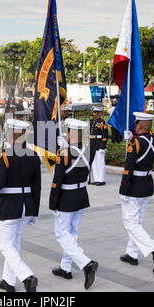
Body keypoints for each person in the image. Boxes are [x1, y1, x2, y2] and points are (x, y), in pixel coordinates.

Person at [0, 119, 41, 292]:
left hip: (10, 206)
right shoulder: (34, 156)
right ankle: (8, 281)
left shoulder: (5, 156)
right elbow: (37, 187)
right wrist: (34, 210)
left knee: (5, 245)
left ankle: (27, 276)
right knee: (14, 243)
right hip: (27, 205)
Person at [49, 118, 99, 289]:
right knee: (72, 233)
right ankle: (65, 267)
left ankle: (86, 263)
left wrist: (52, 202)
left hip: (66, 197)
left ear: (71, 133)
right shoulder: (89, 150)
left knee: (62, 234)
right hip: (81, 195)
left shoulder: (64, 152)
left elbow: (57, 179)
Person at [119, 112, 154, 274]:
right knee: (137, 222)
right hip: (146, 184)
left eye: (136, 122)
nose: (134, 124)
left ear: (139, 125)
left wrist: (123, 190)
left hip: (134, 186)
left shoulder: (135, 143)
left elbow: (128, 168)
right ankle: (132, 254)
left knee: (130, 223)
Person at [89, 106, 108, 185]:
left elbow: (105, 135)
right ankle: (96, 179)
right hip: (92, 143)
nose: (94, 114)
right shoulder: (91, 122)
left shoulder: (102, 122)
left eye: (96, 112)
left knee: (100, 162)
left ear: (100, 113)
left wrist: (102, 146)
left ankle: (101, 180)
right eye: (94, 112)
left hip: (99, 143)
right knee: (94, 162)